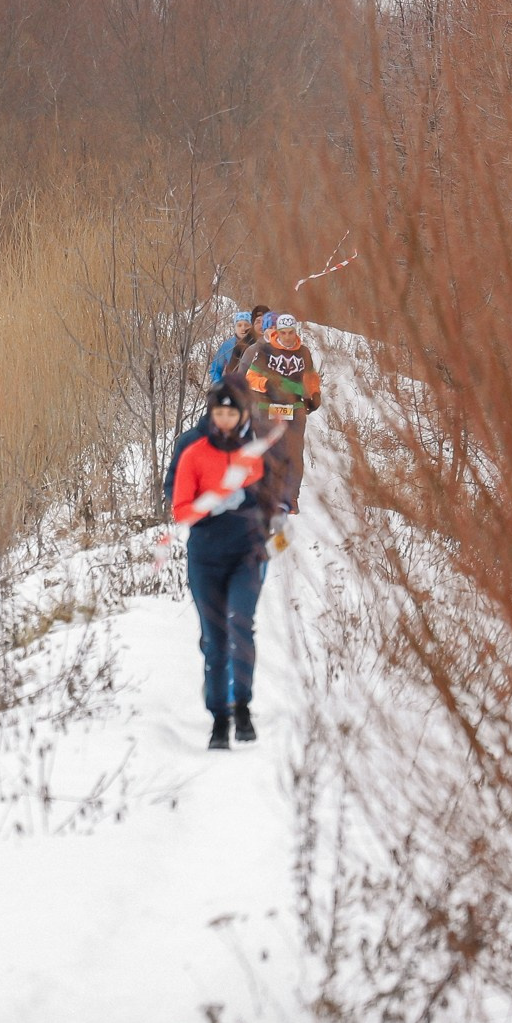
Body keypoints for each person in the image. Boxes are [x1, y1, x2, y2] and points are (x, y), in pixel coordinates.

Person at [171, 381, 276, 750]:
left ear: (243, 415)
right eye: (220, 413)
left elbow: (267, 503)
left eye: (232, 413)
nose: (226, 420)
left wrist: (273, 525)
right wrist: (213, 505)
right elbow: (181, 509)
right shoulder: (194, 454)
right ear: (211, 415)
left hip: (247, 556)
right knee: (215, 641)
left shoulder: (252, 453)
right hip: (207, 558)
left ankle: (242, 706)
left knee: (241, 626)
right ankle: (219, 719)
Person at [240, 311, 321, 514]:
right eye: (283, 333)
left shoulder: (304, 352)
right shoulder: (265, 351)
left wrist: (315, 393)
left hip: (294, 408)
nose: (287, 337)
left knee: (294, 453)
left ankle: (291, 497)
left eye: (290, 332)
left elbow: (310, 377)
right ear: (277, 332)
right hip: (268, 408)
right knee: (269, 453)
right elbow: (250, 377)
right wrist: (267, 384)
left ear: (296, 332)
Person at [209, 304, 269, 387]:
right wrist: (219, 384)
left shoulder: (278, 341)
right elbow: (217, 369)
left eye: (246, 325)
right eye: (239, 325)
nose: (243, 328)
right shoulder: (232, 346)